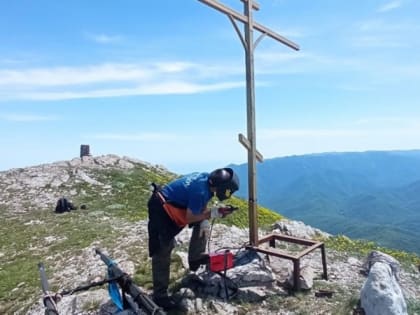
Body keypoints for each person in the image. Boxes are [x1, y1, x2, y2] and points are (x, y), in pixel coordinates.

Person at [147, 167, 240, 310]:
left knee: (203, 223)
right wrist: (213, 213)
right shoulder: (201, 191)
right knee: (162, 249)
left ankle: (195, 257)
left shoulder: (205, 179)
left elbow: (198, 209)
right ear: (222, 188)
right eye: (229, 190)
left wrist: (212, 213)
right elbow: (190, 217)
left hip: (172, 205)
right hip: (161, 209)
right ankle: (160, 296)